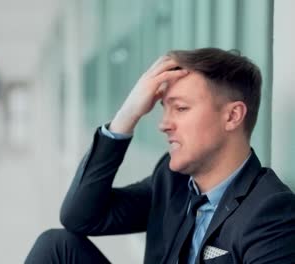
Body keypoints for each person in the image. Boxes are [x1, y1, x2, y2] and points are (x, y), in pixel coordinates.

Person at [25, 48, 295, 264]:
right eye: (164, 109)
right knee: (57, 247)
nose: (163, 124)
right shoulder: (172, 181)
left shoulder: (271, 212)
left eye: (180, 108)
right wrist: (127, 115)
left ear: (232, 116)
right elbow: (80, 216)